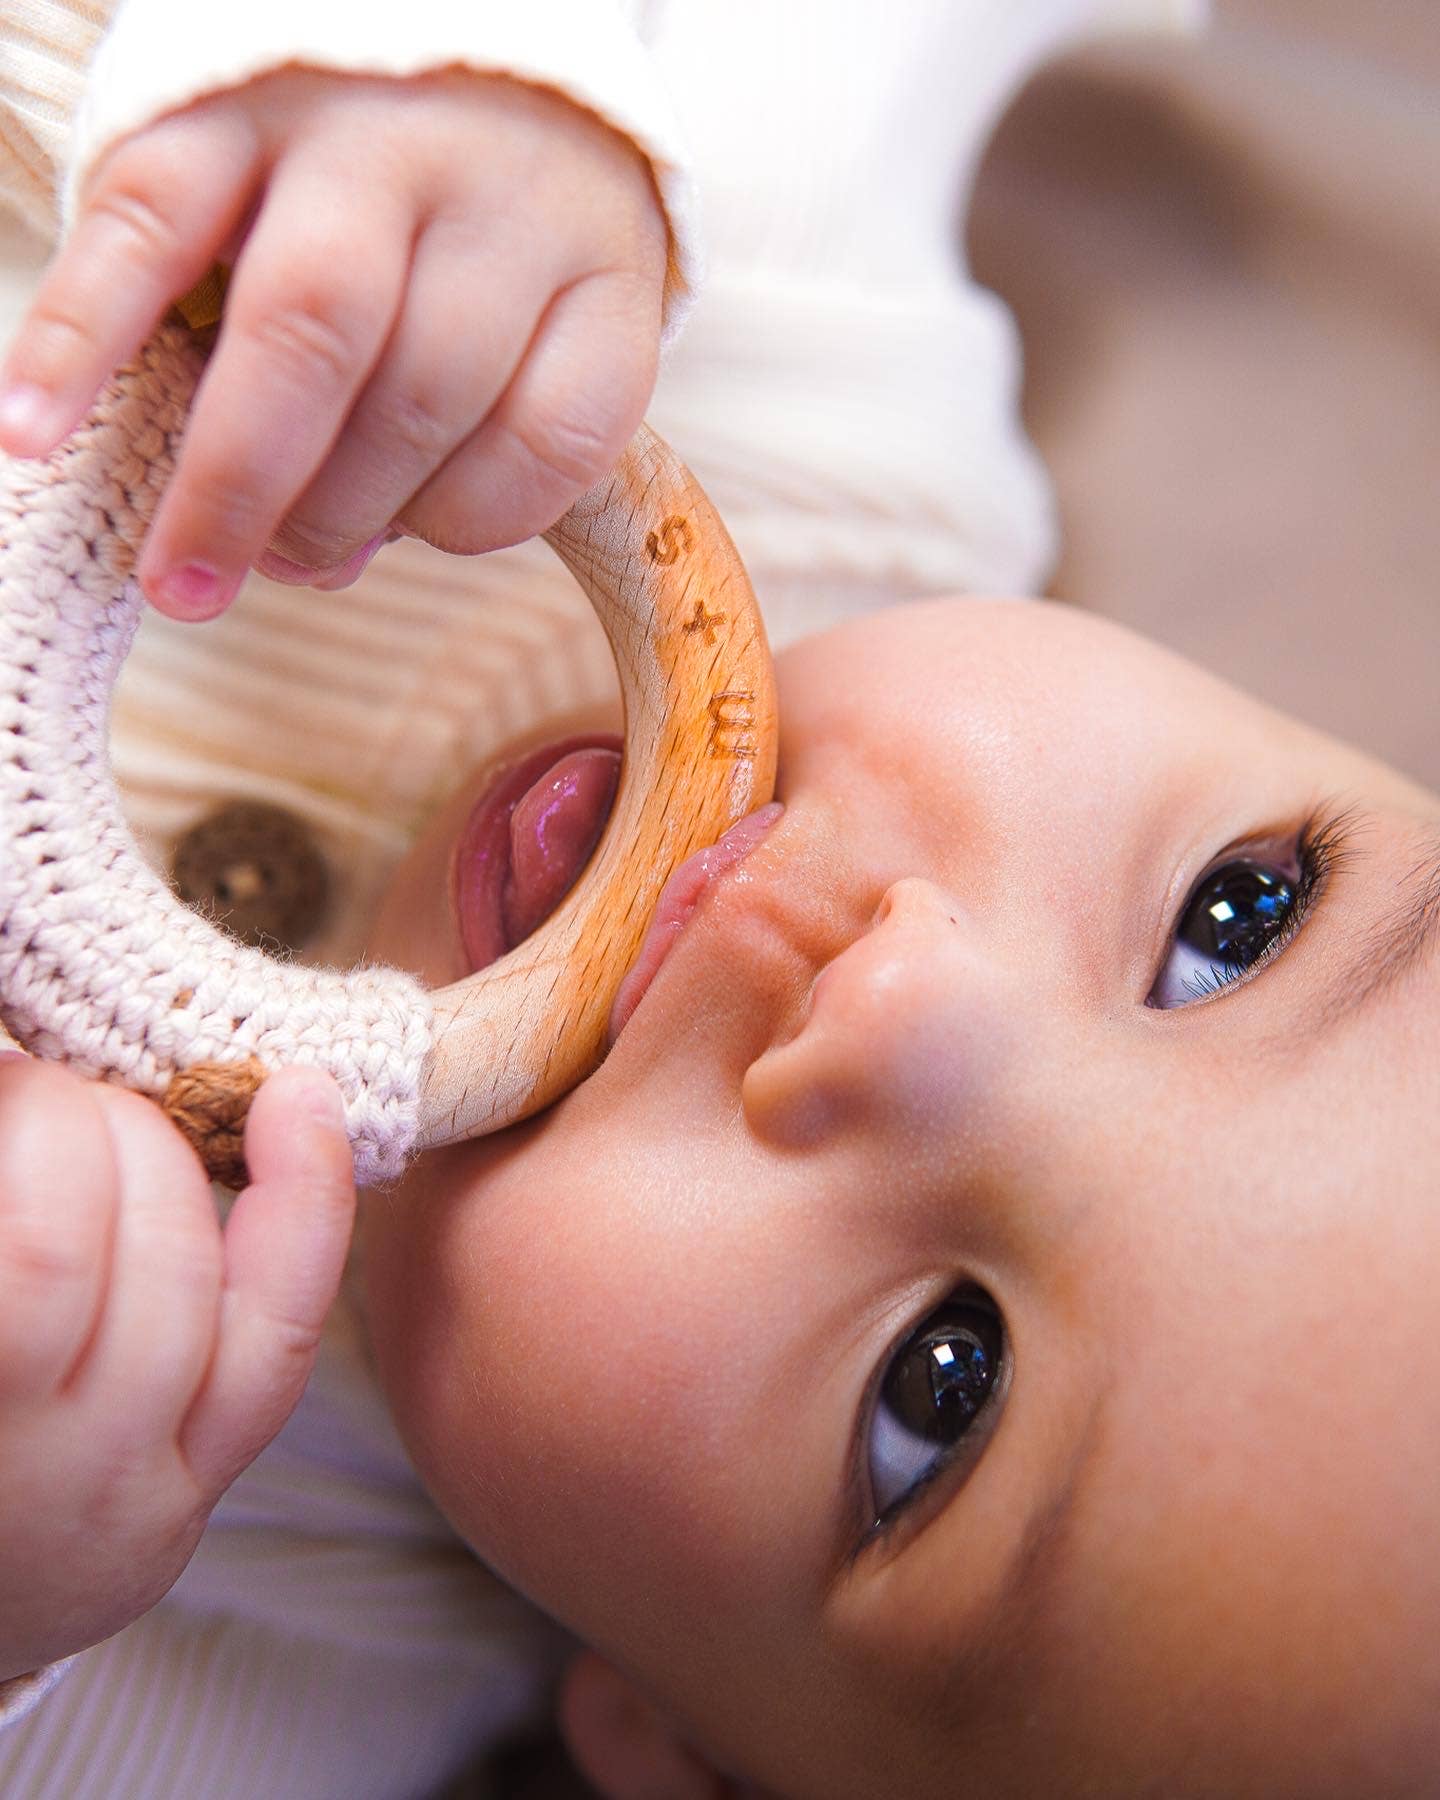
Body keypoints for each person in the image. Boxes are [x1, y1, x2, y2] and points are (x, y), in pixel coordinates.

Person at [15, 0, 1435, 1795]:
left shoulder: (223, 1643)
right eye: (1234, 924)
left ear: (673, 1746)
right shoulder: (789, 361)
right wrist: (458, 82)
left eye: (944, 1384)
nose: (903, 1000)